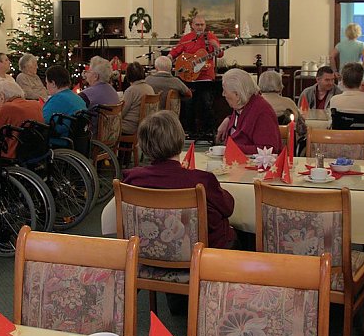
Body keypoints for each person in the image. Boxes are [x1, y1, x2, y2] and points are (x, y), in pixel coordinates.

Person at [123, 110, 236, 250]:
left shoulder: (132, 179)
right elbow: (228, 208)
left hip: (148, 255)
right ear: (181, 139)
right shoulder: (202, 180)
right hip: (202, 257)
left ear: (144, 145)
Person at [169, 15, 224, 138]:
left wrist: (216, 46)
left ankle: (209, 132)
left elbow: (220, 54)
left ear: (205, 25)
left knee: (206, 104)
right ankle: (190, 131)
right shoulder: (186, 38)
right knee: (189, 105)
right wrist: (168, 57)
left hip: (206, 77)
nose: (200, 27)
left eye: (202, 25)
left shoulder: (211, 37)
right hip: (189, 77)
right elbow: (176, 51)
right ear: (192, 25)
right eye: (197, 24)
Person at [216, 68, 281, 154]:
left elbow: (269, 149)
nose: (223, 94)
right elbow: (243, 121)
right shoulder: (241, 105)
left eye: (225, 91)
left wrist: (231, 149)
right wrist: (228, 119)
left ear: (237, 95)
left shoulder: (262, 112)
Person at [0, 80, 43, 159]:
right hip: (36, 149)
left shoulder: (8, 107)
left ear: (2, 97)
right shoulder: (36, 104)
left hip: (13, 152)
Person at [42, 65, 86, 146]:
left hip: (59, 140)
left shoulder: (57, 99)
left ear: (53, 83)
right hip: (76, 141)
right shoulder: (77, 98)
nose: (46, 86)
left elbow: (42, 119)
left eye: (47, 83)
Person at [258, 70, 306, 138]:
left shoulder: (253, 103)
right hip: (287, 143)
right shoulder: (288, 103)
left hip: (260, 142)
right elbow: (301, 127)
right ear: (280, 86)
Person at [120, 62, 155, 136]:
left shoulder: (131, 90)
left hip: (131, 127)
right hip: (147, 125)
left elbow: (122, 112)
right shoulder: (149, 88)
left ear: (128, 76)